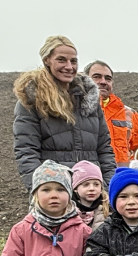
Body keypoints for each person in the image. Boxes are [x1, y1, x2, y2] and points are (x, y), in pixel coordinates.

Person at [13, 35, 115, 190]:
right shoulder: (33, 100)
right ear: (47, 60)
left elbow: (104, 150)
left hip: (92, 193)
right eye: (61, 60)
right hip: (56, 195)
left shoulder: (89, 99)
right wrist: (42, 191)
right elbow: (27, 153)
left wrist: (108, 188)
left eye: (73, 61)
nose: (69, 66)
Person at [85, 60, 138, 165]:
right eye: (97, 77)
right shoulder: (74, 110)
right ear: (84, 80)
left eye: (108, 78)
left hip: (120, 176)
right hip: (89, 177)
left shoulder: (129, 114)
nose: (103, 81)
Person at [71, 161, 109, 231]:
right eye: (86, 184)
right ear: (75, 188)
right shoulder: (68, 210)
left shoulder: (108, 210)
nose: (92, 188)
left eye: (96, 184)